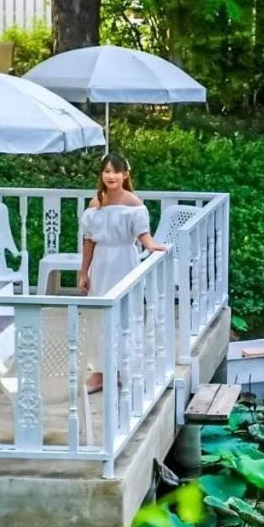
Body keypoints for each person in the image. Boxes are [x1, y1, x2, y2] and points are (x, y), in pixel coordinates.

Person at [78, 153, 167, 393]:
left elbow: (143, 236)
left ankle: (123, 369)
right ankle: (100, 372)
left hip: (124, 261)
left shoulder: (134, 203)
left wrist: (152, 246)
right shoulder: (95, 203)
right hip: (101, 263)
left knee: (125, 315)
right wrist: (83, 272)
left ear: (125, 174)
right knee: (99, 316)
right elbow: (89, 241)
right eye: (106, 171)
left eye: (116, 171)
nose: (111, 176)